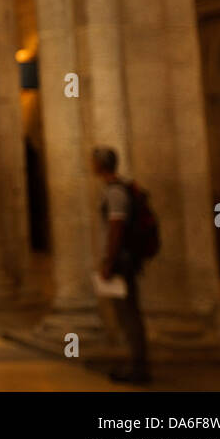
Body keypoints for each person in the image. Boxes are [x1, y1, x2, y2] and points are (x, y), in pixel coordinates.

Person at [92, 145, 151, 384]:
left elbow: (116, 228)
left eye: (94, 161)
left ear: (100, 165)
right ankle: (134, 363)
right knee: (126, 314)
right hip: (123, 259)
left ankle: (139, 367)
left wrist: (109, 261)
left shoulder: (115, 192)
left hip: (121, 262)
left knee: (128, 315)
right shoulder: (118, 188)